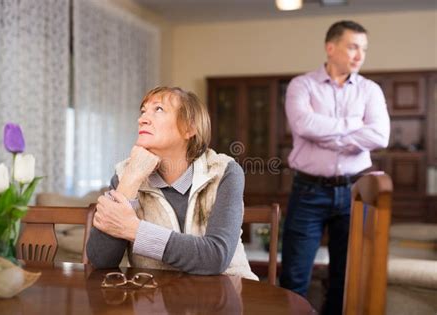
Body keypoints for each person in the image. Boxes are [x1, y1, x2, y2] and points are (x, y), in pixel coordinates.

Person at [86, 86, 258, 280]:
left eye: (158, 109)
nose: (142, 119)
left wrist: (134, 230)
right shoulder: (124, 174)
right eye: (143, 111)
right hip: (155, 300)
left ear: (189, 128)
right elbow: (101, 260)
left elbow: (216, 256)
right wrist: (131, 179)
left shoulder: (223, 171)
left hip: (225, 296)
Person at [280, 20, 390, 314]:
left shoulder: (370, 91)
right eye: (353, 46)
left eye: (364, 49)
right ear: (331, 48)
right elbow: (304, 125)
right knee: (294, 277)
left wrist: (326, 135)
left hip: (355, 192)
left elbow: (380, 135)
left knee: (346, 279)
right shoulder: (301, 86)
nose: (359, 55)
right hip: (308, 192)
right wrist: (354, 127)